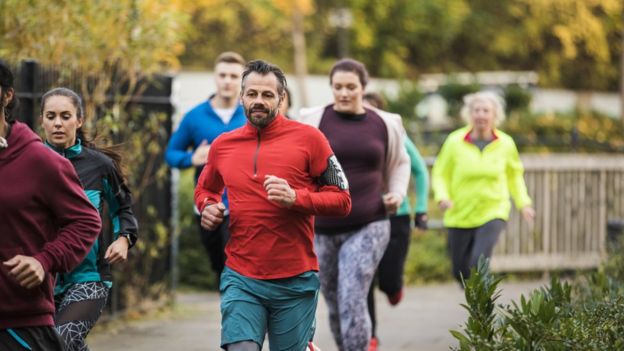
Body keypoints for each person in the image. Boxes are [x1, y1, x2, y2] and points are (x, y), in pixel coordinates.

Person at [195, 59, 351, 351]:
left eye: (267, 95)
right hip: (241, 276)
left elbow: (342, 200)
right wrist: (208, 206)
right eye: (252, 94)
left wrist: (297, 198)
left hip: (295, 280)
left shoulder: (310, 139)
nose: (258, 101)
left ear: (281, 98)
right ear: (242, 97)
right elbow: (206, 188)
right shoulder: (222, 145)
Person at [298, 58, 410, 351]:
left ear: (363, 87)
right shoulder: (312, 119)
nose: (344, 93)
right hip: (321, 228)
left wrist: (397, 194)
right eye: (338, 87)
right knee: (334, 303)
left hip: (369, 222)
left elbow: (401, 163)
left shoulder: (385, 122)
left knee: (352, 295)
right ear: (331, 88)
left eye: (351, 87)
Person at [0, 62, 101, 350]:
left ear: (7, 95)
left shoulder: (39, 161)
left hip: (18, 321)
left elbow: (86, 222)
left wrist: (43, 261)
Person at [39, 87, 139, 351]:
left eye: (65, 116)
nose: (58, 123)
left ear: (79, 120)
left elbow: (123, 208)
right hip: (40, 278)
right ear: (42, 121)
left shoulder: (100, 166)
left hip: (89, 278)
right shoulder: (32, 163)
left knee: (62, 340)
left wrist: (123, 240)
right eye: (51, 116)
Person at [431, 91, 535, 283]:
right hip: (459, 212)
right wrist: (442, 196)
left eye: (486, 110)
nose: (481, 115)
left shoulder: (505, 144)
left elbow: (514, 176)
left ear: (495, 115)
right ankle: (477, 303)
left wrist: (524, 203)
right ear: (469, 114)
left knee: (478, 261)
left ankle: (484, 308)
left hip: (493, 210)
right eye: (476, 110)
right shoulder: (454, 141)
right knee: (459, 271)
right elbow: (440, 173)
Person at [165, 52, 246, 286]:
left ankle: (236, 317)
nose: (227, 81)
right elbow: (171, 154)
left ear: (242, 80)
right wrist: (192, 158)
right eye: (223, 75)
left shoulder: (251, 114)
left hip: (244, 205)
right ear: (215, 78)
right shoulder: (195, 116)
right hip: (209, 204)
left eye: (233, 76)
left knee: (235, 269)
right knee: (219, 266)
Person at [362, 92, 429, 351]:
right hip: (362, 217)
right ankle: (370, 336)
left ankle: (393, 287)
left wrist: (421, 209)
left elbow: (420, 170)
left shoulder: (395, 134)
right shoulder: (348, 137)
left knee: (388, 280)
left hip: (396, 216)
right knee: (363, 279)